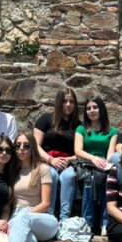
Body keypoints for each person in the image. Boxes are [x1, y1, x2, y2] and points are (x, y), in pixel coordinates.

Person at [74, 95, 118, 235]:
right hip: (86, 163)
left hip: (103, 163)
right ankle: (88, 222)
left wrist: (105, 163)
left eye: (95, 107)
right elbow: (78, 150)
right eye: (88, 108)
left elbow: (111, 152)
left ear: (101, 109)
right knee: (89, 180)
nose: (91, 110)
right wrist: (93, 159)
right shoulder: (81, 129)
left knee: (108, 180)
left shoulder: (112, 131)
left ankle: (105, 223)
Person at [34, 88, 80, 221]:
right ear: (58, 102)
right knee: (51, 175)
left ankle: (64, 219)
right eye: (64, 101)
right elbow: (35, 145)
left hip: (68, 162)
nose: (68, 104)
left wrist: (68, 160)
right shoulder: (45, 119)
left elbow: (81, 151)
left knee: (69, 176)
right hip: (46, 159)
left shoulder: (77, 125)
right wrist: (51, 160)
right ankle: (49, 216)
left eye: (71, 102)